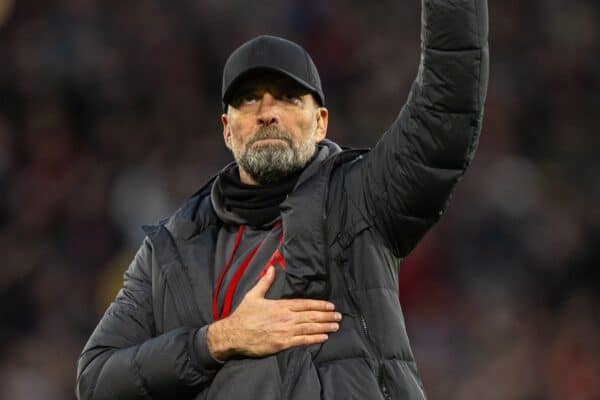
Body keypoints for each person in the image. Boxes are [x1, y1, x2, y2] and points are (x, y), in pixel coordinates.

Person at [76, 0, 489, 398]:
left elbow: (444, 110)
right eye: (249, 99)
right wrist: (219, 339)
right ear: (226, 128)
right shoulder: (170, 250)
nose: (267, 112)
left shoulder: (361, 198)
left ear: (321, 123)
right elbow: (96, 379)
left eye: (289, 98)